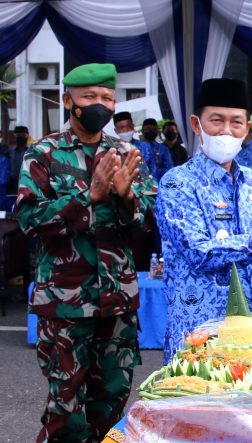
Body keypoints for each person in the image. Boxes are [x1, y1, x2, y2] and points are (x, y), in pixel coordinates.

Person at [16, 63, 157, 442]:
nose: (100, 104)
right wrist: (88, 196)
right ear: (68, 101)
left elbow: (147, 222)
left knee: (111, 401)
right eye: (90, 97)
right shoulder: (44, 154)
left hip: (117, 303)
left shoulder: (126, 153)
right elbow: (28, 219)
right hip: (64, 303)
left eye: (107, 98)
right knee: (66, 408)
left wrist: (127, 196)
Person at [155, 78, 252, 363]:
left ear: (247, 129)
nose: (227, 131)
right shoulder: (177, 183)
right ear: (196, 124)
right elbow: (197, 252)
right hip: (199, 336)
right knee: (193, 403)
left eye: (236, 123)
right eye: (216, 121)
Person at [137, 118, 174, 183]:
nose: (150, 131)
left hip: (160, 186)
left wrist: (156, 170)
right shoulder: (137, 148)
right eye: (148, 129)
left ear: (157, 130)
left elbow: (170, 169)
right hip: (142, 187)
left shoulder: (163, 149)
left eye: (153, 129)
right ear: (142, 130)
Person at [8, 125, 30, 193]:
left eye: (23, 135)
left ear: (27, 136)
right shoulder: (9, 151)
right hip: (12, 184)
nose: (21, 137)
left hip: (28, 183)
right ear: (15, 136)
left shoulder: (31, 151)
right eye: (18, 135)